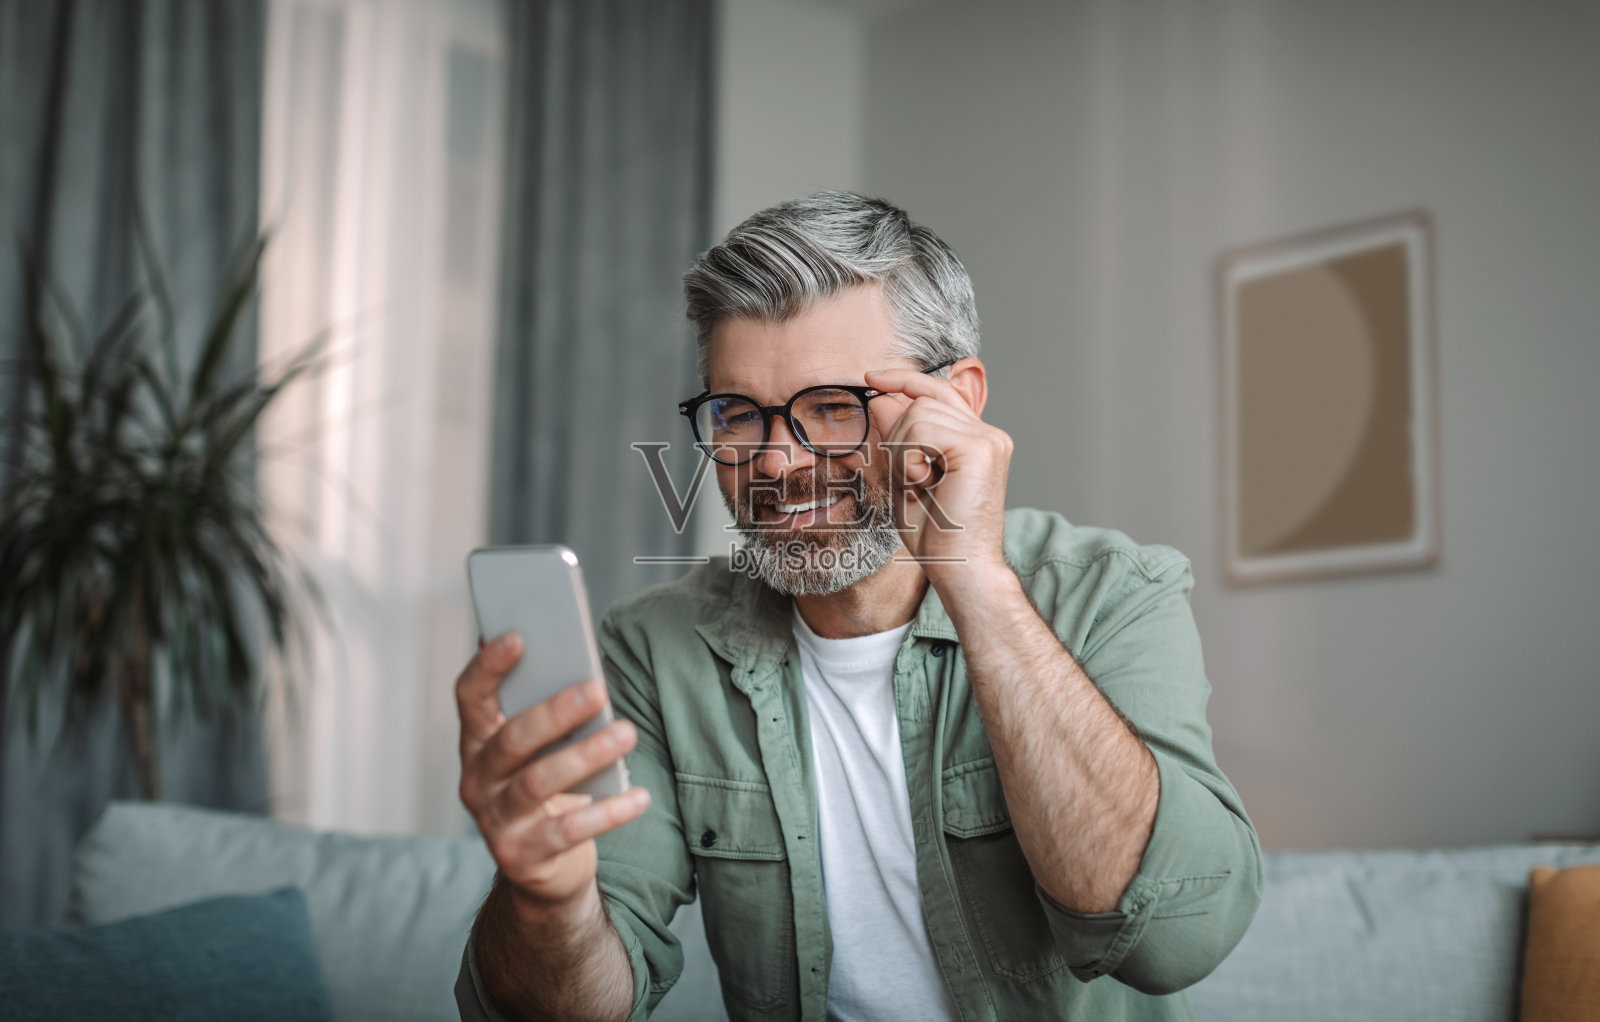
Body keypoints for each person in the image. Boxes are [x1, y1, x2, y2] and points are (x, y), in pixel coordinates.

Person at [453, 192, 1262, 1022]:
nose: (772, 461)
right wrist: (546, 903)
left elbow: (1173, 940)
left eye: (832, 408)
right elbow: (571, 1009)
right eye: (736, 413)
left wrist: (973, 575)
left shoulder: (1112, 594)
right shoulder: (655, 649)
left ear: (958, 404)